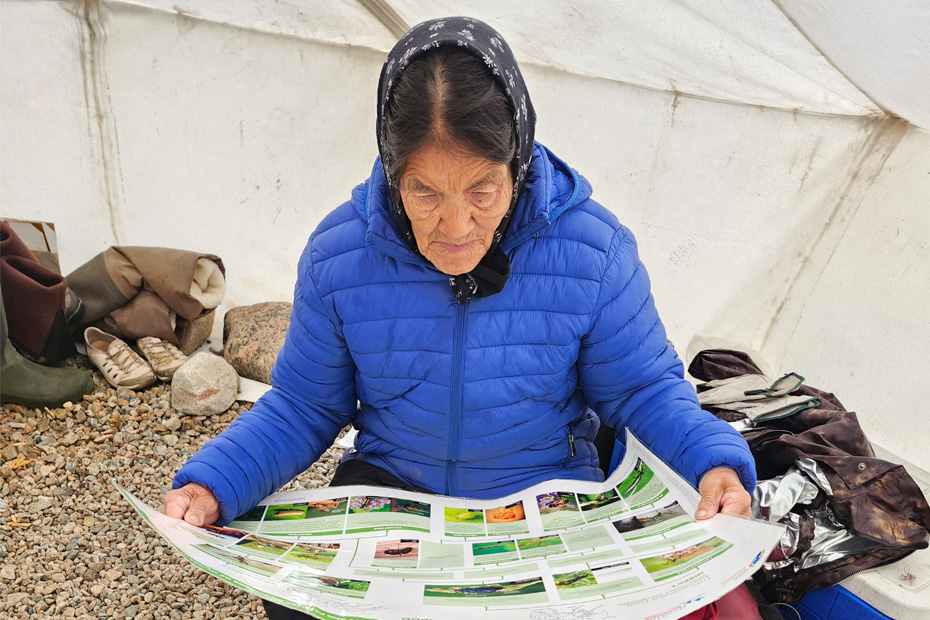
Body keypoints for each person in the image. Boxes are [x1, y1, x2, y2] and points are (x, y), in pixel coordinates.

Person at [163, 17, 755, 619]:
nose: (455, 226)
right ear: (393, 176)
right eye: (425, 193)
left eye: (482, 191)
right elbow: (305, 406)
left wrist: (715, 463)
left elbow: (641, 388)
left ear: (517, 164)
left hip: (541, 491)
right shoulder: (339, 255)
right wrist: (212, 483)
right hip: (393, 487)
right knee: (299, 603)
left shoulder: (592, 250)